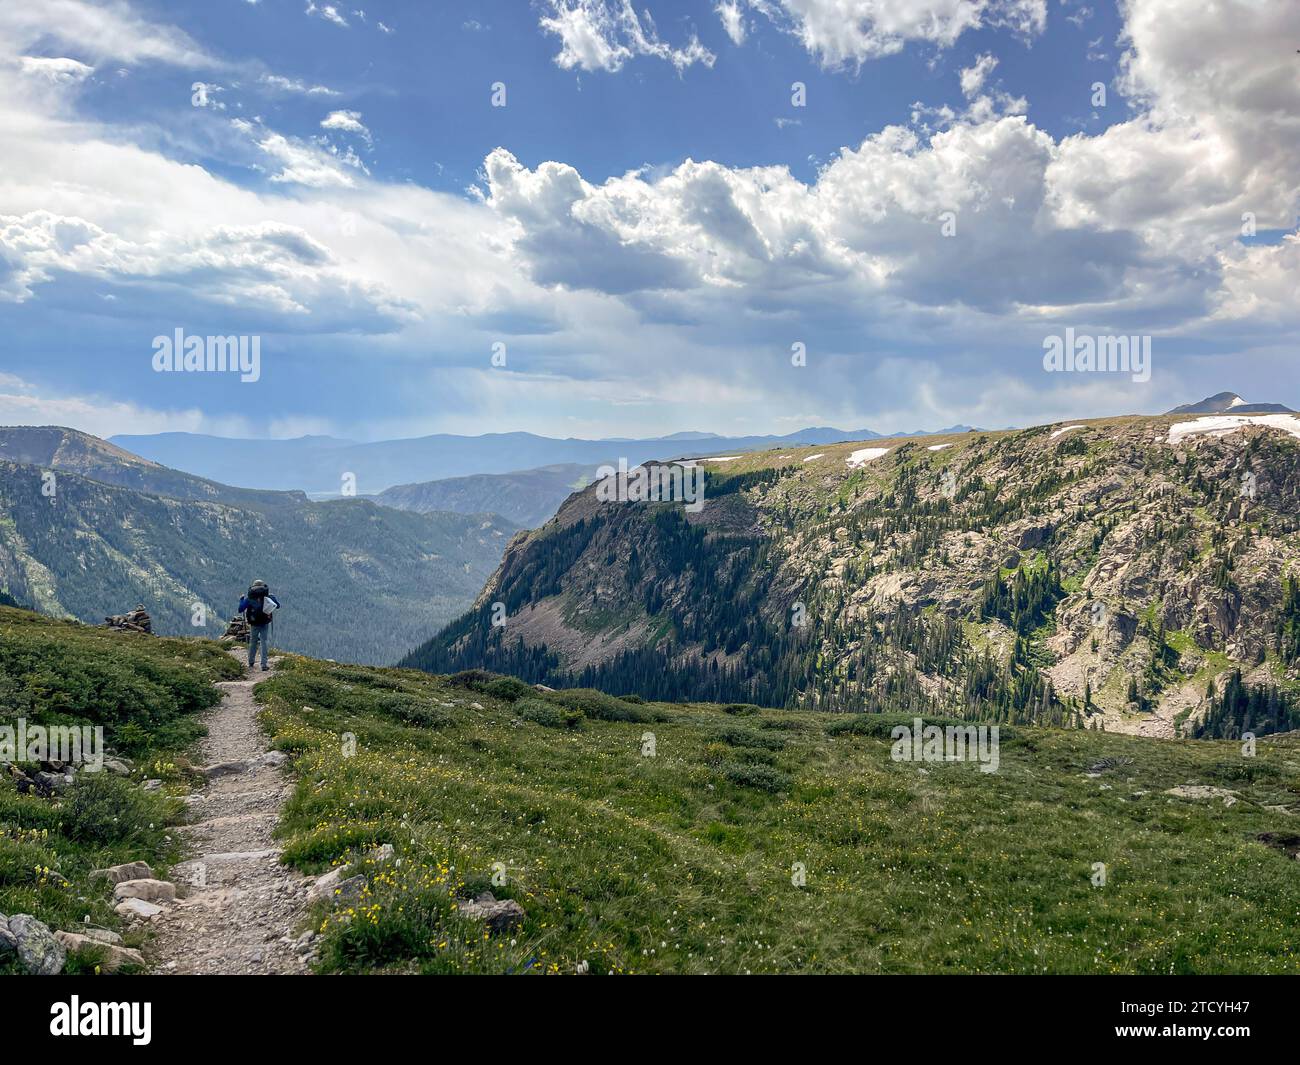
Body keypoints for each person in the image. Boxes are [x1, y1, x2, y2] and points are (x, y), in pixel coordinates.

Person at [238, 580, 280, 671]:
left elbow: (240, 609)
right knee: (264, 641)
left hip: (254, 623)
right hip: (265, 622)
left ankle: (251, 662)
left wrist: (241, 599)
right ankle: (264, 664)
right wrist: (273, 597)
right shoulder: (268, 596)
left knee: (253, 642)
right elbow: (278, 606)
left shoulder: (249, 598)